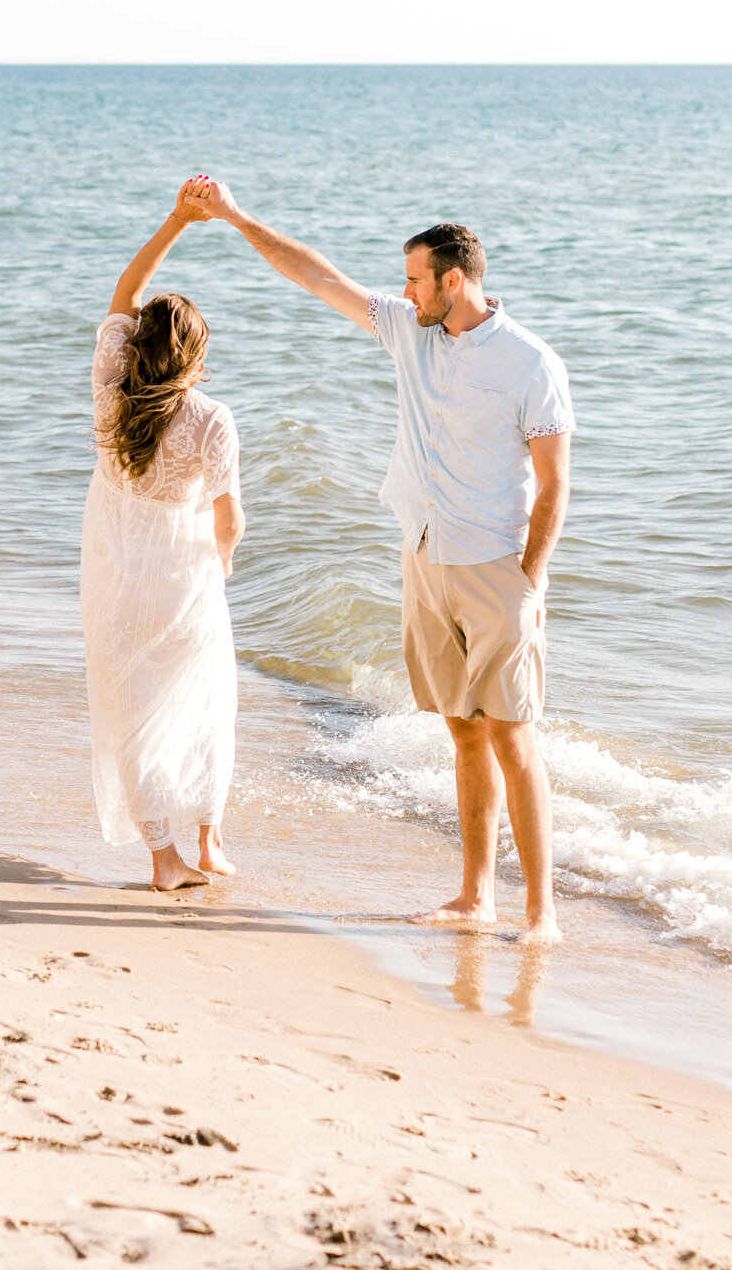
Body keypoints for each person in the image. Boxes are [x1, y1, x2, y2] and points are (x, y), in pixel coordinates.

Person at [184, 178, 572, 940]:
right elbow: (317, 275)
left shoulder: (530, 363)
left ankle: (540, 912)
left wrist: (530, 579)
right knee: (461, 730)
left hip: (496, 566)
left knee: (511, 735)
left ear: (452, 280)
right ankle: (473, 896)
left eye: (415, 278)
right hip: (424, 555)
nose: (404, 290)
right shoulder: (410, 331)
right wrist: (234, 218)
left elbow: (555, 484)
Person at [80, 179, 246, 892]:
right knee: (206, 702)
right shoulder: (212, 418)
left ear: (137, 340)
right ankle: (209, 841)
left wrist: (177, 219)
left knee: (133, 711)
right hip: (184, 577)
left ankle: (164, 858)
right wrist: (224, 565)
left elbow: (127, 286)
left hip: (116, 571)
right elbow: (228, 514)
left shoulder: (111, 380)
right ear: (197, 357)